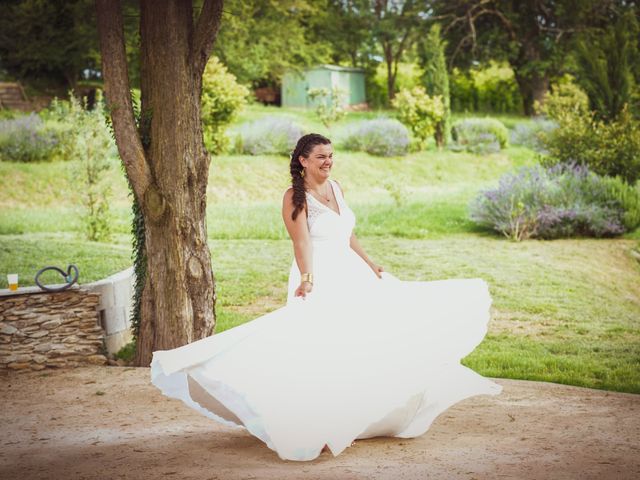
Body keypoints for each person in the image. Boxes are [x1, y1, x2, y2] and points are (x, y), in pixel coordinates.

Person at [150, 133, 503, 462]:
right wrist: (307, 279)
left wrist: (370, 263)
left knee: (362, 344)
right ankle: (316, 425)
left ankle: (354, 418)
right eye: (321, 157)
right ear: (303, 160)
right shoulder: (294, 197)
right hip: (319, 276)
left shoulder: (337, 187)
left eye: (331, 156)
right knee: (320, 347)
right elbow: (301, 241)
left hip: (352, 274)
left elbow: (347, 234)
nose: (328, 162)